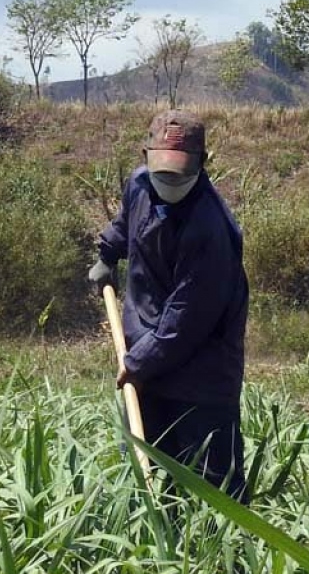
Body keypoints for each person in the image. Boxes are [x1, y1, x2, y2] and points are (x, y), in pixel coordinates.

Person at [89, 110, 251, 501]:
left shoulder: (211, 230)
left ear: (201, 164)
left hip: (201, 374)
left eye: (179, 173)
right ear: (147, 155)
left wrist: (136, 362)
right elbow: (127, 222)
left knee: (213, 488)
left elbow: (186, 320)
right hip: (147, 352)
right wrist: (107, 255)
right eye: (161, 170)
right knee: (150, 470)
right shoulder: (140, 184)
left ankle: (225, 561)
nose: (168, 181)